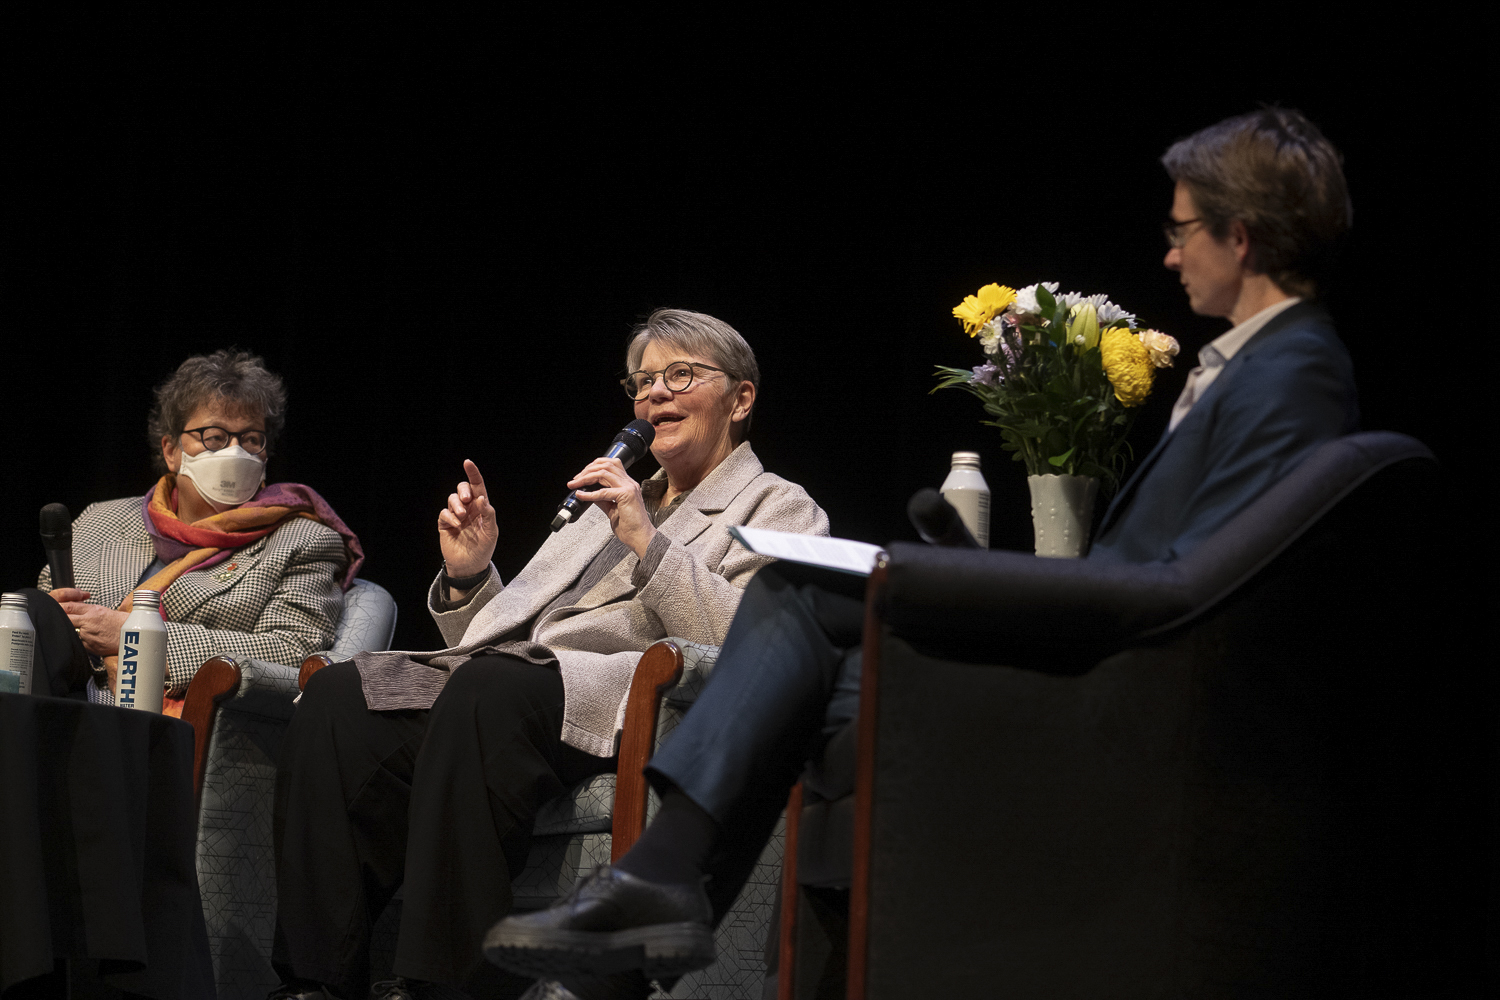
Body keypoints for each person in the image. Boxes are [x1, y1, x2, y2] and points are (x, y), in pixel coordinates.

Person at [485, 107, 1360, 1000]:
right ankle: (648, 921)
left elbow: (1193, 584)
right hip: (1107, 642)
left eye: (1180, 232)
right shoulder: (1264, 366)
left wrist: (965, 579)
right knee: (823, 662)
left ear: (1240, 236)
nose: (1170, 255)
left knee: (803, 589)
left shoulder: (1294, 375)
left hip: (1123, 675)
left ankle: (652, 888)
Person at [269, 309, 829, 1000]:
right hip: (522, 689)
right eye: (643, 380)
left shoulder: (778, 506)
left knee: (491, 691)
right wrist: (474, 575)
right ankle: (314, 984)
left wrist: (649, 542)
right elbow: (522, 637)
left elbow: (756, 639)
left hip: (628, 702)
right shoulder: (607, 506)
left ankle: (448, 985)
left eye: (681, 374)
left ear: (741, 398)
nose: (655, 394)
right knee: (340, 699)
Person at [24, 348, 360, 713]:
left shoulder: (304, 540)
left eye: (250, 439)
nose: (235, 452)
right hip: (66, 697)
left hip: (175, 719)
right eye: (214, 437)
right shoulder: (100, 520)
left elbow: (295, 651)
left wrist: (137, 638)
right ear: (171, 450)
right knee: (29, 610)